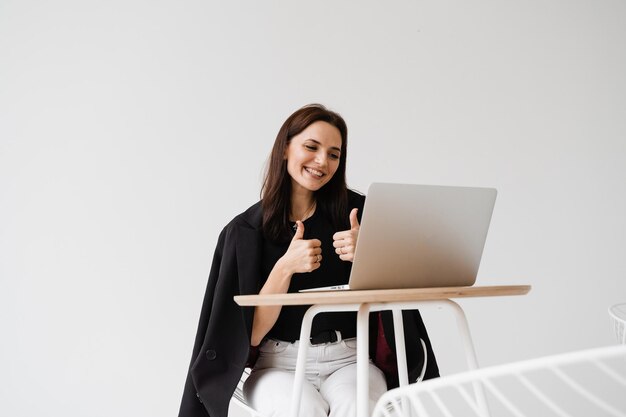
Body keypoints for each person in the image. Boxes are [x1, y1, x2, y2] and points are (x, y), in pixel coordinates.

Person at [178, 104, 439, 417]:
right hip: (277, 365)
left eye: (333, 154)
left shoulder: (360, 214)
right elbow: (252, 334)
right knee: (302, 410)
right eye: (311, 147)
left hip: (351, 359)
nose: (321, 162)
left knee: (359, 407)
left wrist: (370, 255)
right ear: (286, 148)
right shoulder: (246, 232)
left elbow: (398, 301)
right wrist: (285, 266)